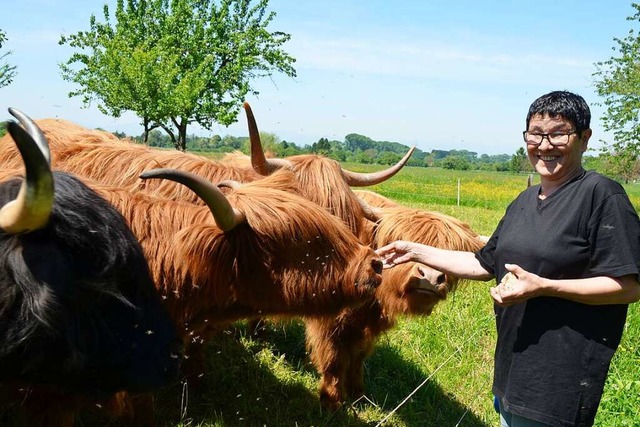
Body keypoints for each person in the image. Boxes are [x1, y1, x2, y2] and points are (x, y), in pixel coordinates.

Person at [376, 90, 640, 427]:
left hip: (559, 381)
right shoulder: (524, 201)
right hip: (513, 372)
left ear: (584, 139)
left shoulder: (601, 195)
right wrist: (414, 250)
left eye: (558, 134)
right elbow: (484, 263)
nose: (544, 145)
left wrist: (544, 287)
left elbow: (627, 286)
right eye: (535, 134)